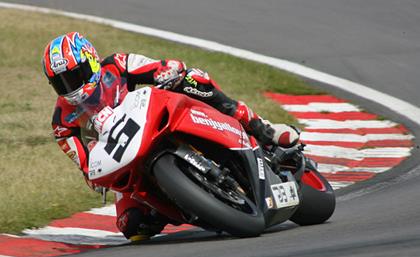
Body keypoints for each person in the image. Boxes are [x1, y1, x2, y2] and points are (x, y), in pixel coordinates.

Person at [42, 32, 299, 241]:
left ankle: (261, 128)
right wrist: (96, 175)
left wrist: (167, 72)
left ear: (92, 61)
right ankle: (188, 204)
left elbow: (158, 67)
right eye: (61, 83)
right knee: (131, 226)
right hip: (125, 155)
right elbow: (84, 164)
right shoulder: (61, 122)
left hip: (152, 118)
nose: (71, 87)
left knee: (192, 79)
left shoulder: (117, 64)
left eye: (74, 76)